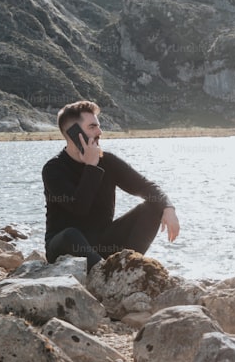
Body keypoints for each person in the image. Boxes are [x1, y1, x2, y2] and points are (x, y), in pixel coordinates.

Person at [42, 100, 180, 271]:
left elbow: (145, 186)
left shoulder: (108, 161)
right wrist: (91, 167)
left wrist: (168, 208)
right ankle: (105, 274)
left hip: (101, 242)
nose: (100, 132)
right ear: (73, 133)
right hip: (64, 246)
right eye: (92, 127)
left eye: (98, 126)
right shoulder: (53, 169)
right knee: (71, 234)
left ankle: (127, 268)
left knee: (154, 206)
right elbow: (79, 208)